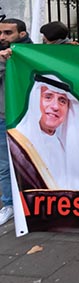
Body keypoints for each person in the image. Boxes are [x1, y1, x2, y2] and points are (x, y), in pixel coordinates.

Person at [7, 74, 79, 191]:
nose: (55, 107)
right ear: (35, 100)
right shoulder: (15, 143)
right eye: (48, 97)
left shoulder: (66, 147)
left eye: (62, 101)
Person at [0, 18, 34, 225]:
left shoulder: (34, 53)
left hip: (29, 118)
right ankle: (9, 204)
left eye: (8, 33)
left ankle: (36, 202)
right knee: (5, 164)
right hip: (4, 117)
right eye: (0, 33)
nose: (2, 37)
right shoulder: (2, 55)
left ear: (22, 34)